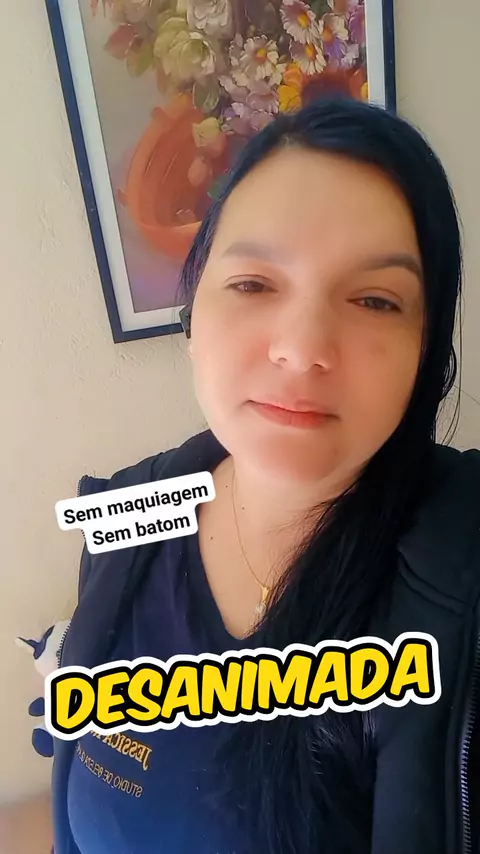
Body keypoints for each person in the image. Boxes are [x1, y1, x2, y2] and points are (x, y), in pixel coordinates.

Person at [46, 97, 480, 854]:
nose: (303, 349)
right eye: (253, 284)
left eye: (375, 300)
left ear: (426, 351)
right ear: (193, 316)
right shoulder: (127, 514)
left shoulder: (462, 576)